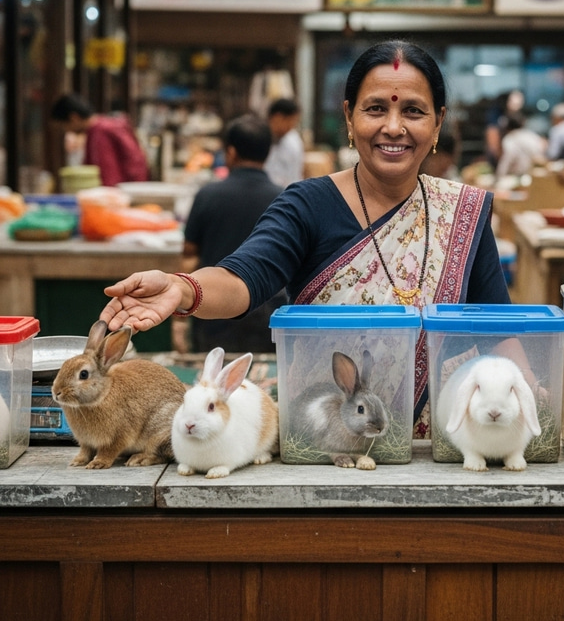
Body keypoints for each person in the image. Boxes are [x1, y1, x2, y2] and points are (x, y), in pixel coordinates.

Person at [100, 40, 511, 438]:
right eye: (376, 108)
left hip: (436, 455)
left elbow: (501, 337)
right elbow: (244, 278)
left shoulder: (463, 214)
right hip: (323, 447)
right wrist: (181, 287)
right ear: (349, 117)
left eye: (413, 111)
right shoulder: (309, 204)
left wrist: (529, 398)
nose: (393, 127)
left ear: (438, 121)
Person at [180, 114, 287, 354]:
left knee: (214, 382)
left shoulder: (208, 195)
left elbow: (189, 256)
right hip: (269, 315)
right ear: (267, 153)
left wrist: (180, 318)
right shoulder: (285, 199)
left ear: (230, 152)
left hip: (214, 312)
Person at [50, 93, 150, 186]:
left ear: (74, 118)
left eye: (63, 126)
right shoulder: (101, 127)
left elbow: (108, 175)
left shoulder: (100, 132)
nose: (67, 130)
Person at [264, 98, 305, 187]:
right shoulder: (258, 137)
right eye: (290, 121)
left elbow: (296, 175)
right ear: (278, 117)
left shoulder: (294, 142)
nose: (291, 126)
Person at [494, 111, 547, 178]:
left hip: (516, 177)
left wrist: (499, 176)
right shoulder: (531, 135)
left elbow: (507, 158)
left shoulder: (509, 138)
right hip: (533, 176)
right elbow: (541, 154)